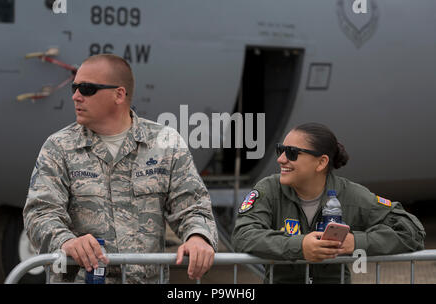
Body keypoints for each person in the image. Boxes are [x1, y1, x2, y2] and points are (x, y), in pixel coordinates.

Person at [23, 54, 218, 283]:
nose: (76, 96)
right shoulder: (59, 148)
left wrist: (198, 237)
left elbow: (193, 206)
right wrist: (66, 241)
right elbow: (40, 212)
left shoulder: (165, 144)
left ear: (119, 94)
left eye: (86, 89)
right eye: (74, 87)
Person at [231, 122, 425, 283]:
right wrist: (300, 247)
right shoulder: (269, 190)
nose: (281, 159)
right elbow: (242, 235)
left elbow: (411, 232)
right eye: (280, 150)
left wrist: (355, 242)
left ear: (321, 162)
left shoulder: (351, 195)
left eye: (292, 153)